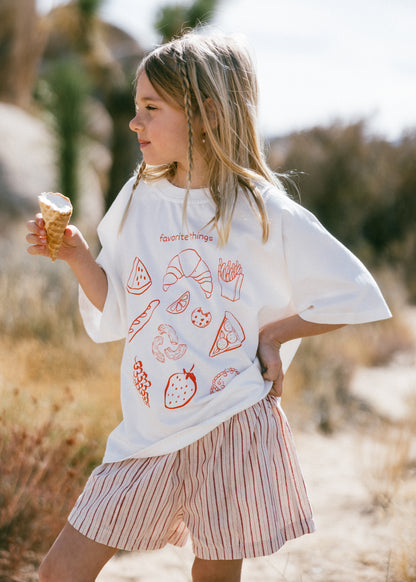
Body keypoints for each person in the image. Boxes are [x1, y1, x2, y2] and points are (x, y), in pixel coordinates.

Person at [26, 31, 391, 582]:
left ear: (207, 115)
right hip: (146, 430)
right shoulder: (137, 201)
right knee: (60, 572)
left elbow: (354, 292)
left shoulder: (261, 208)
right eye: (135, 107)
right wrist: (78, 256)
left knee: (213, 577)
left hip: (233, 420)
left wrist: (276, 334)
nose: (135, 122)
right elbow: (123, 310)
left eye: (151, 108)